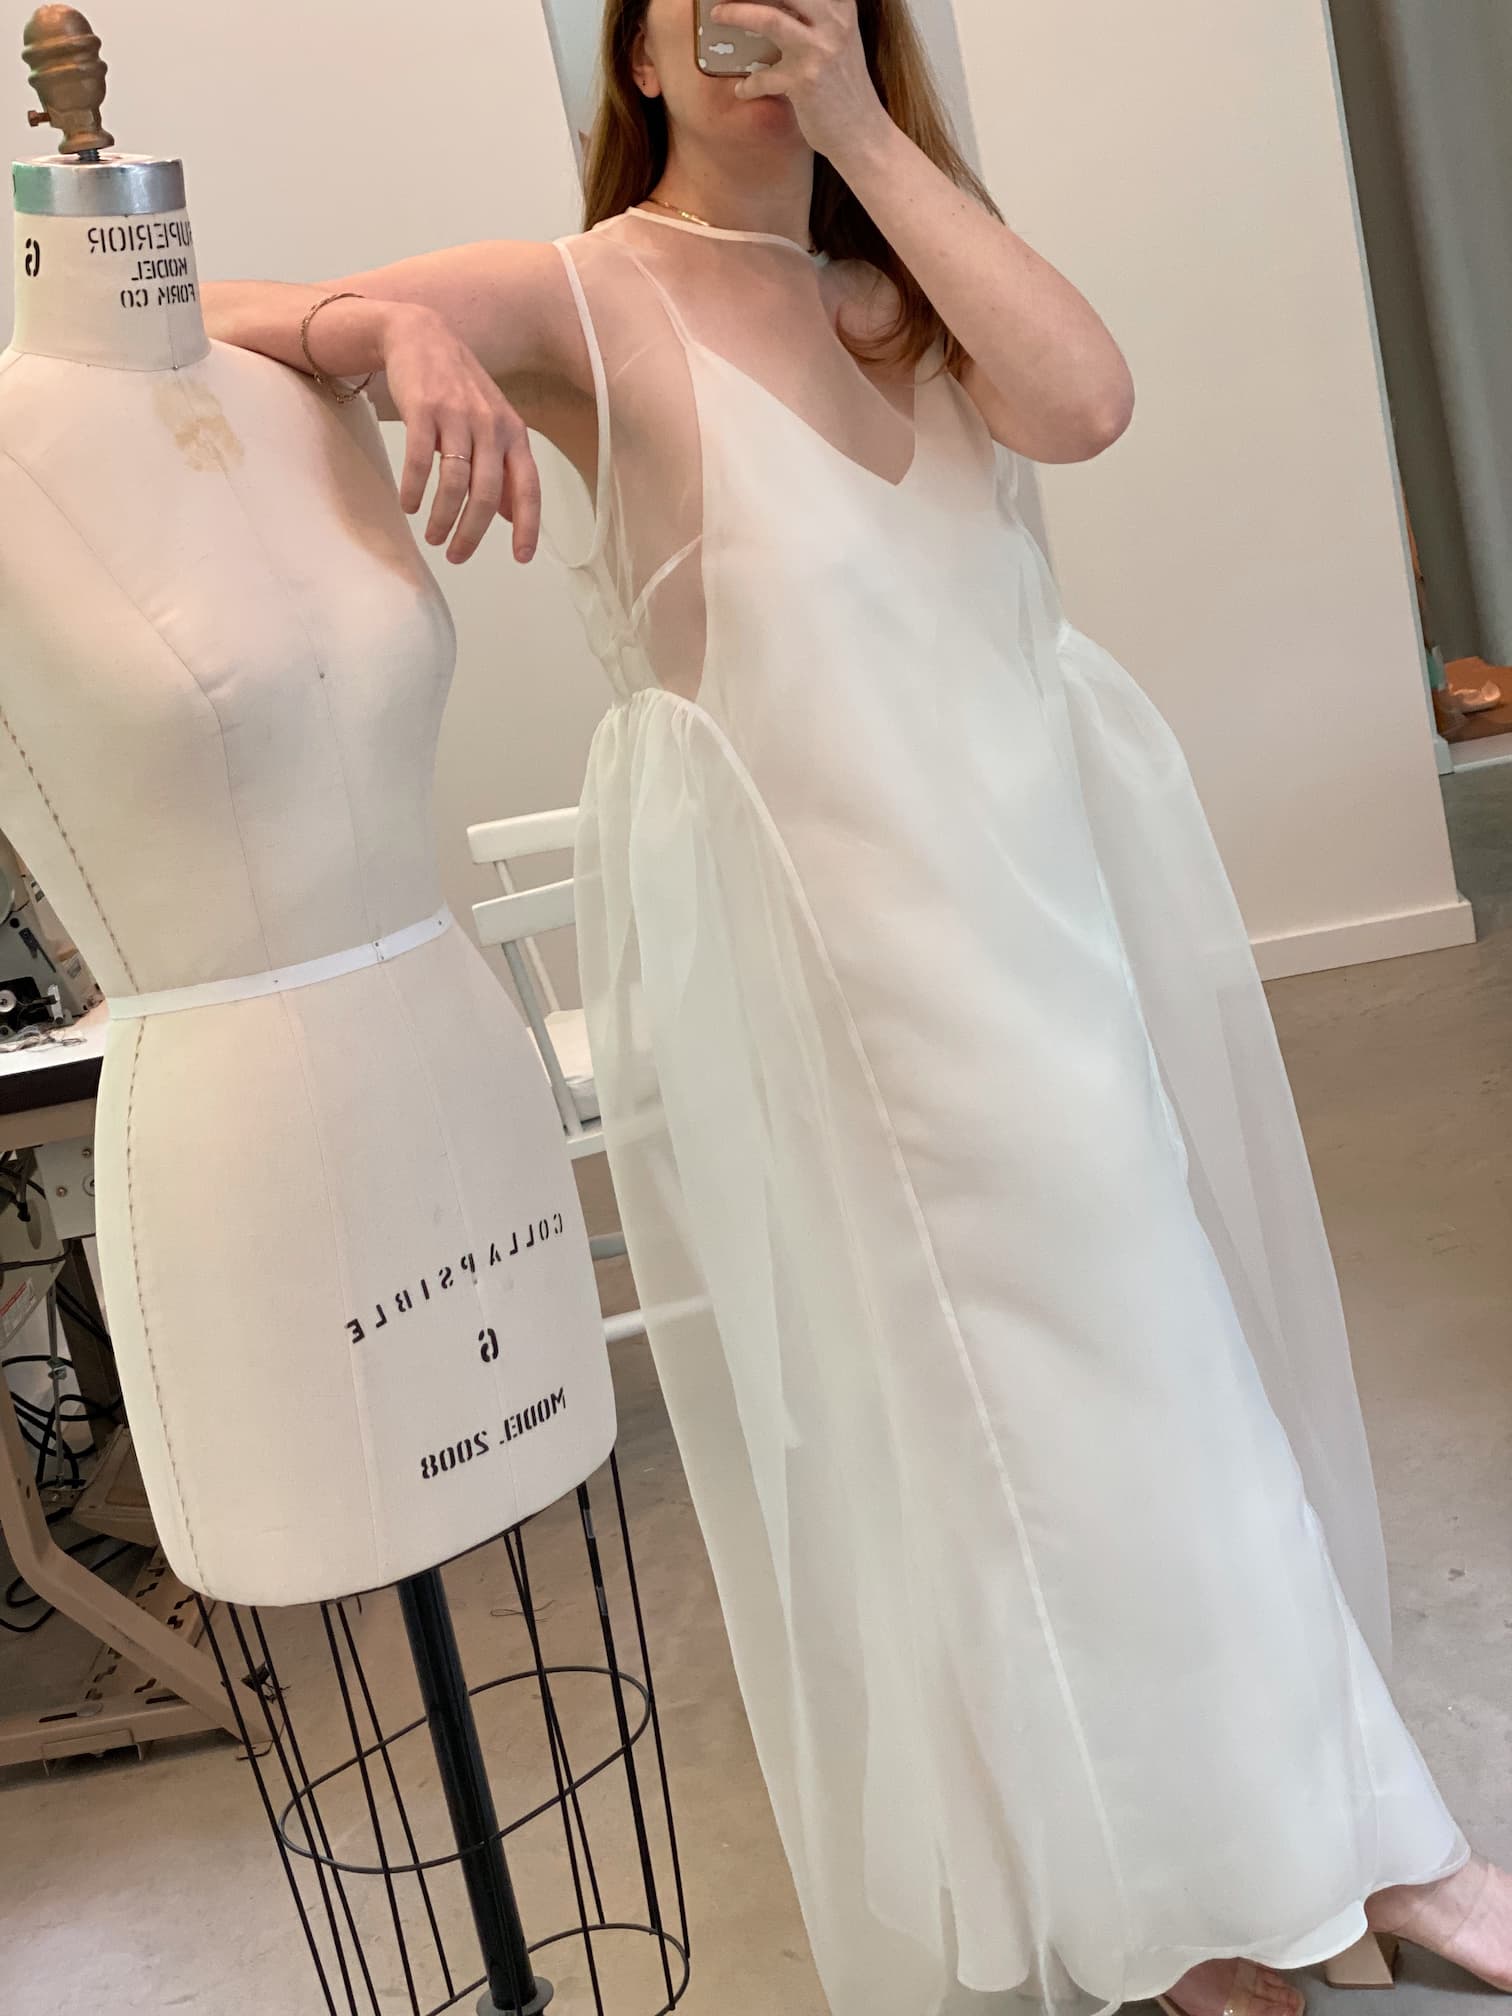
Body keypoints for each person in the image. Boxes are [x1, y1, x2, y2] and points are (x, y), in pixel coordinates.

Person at [203, 4, 1512, 2013]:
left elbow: (1086, 403)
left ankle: (1327, 1839)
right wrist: (389, 332)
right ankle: (1207, 1901)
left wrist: (866, 139)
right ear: (636, 58)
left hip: (1038, 925)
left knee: (1162, 1377)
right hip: (854, 980)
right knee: (1027, 1425)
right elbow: (208, 306)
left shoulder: (901, 284)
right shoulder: (591, 290)